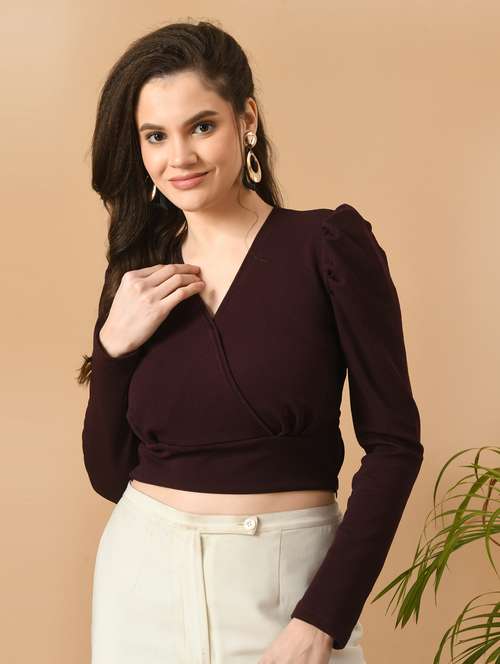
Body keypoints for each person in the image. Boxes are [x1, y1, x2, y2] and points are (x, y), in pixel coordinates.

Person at [78, 19, 423, 664]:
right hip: (142, 587)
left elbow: (395, 446)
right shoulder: (138, 274)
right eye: (156, 136)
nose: (179, 157)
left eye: (201, 126)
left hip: (287, 590)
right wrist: (112, 350)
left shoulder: (328, 246)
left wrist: (321, 620)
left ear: (247, 120)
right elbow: (108, 474)